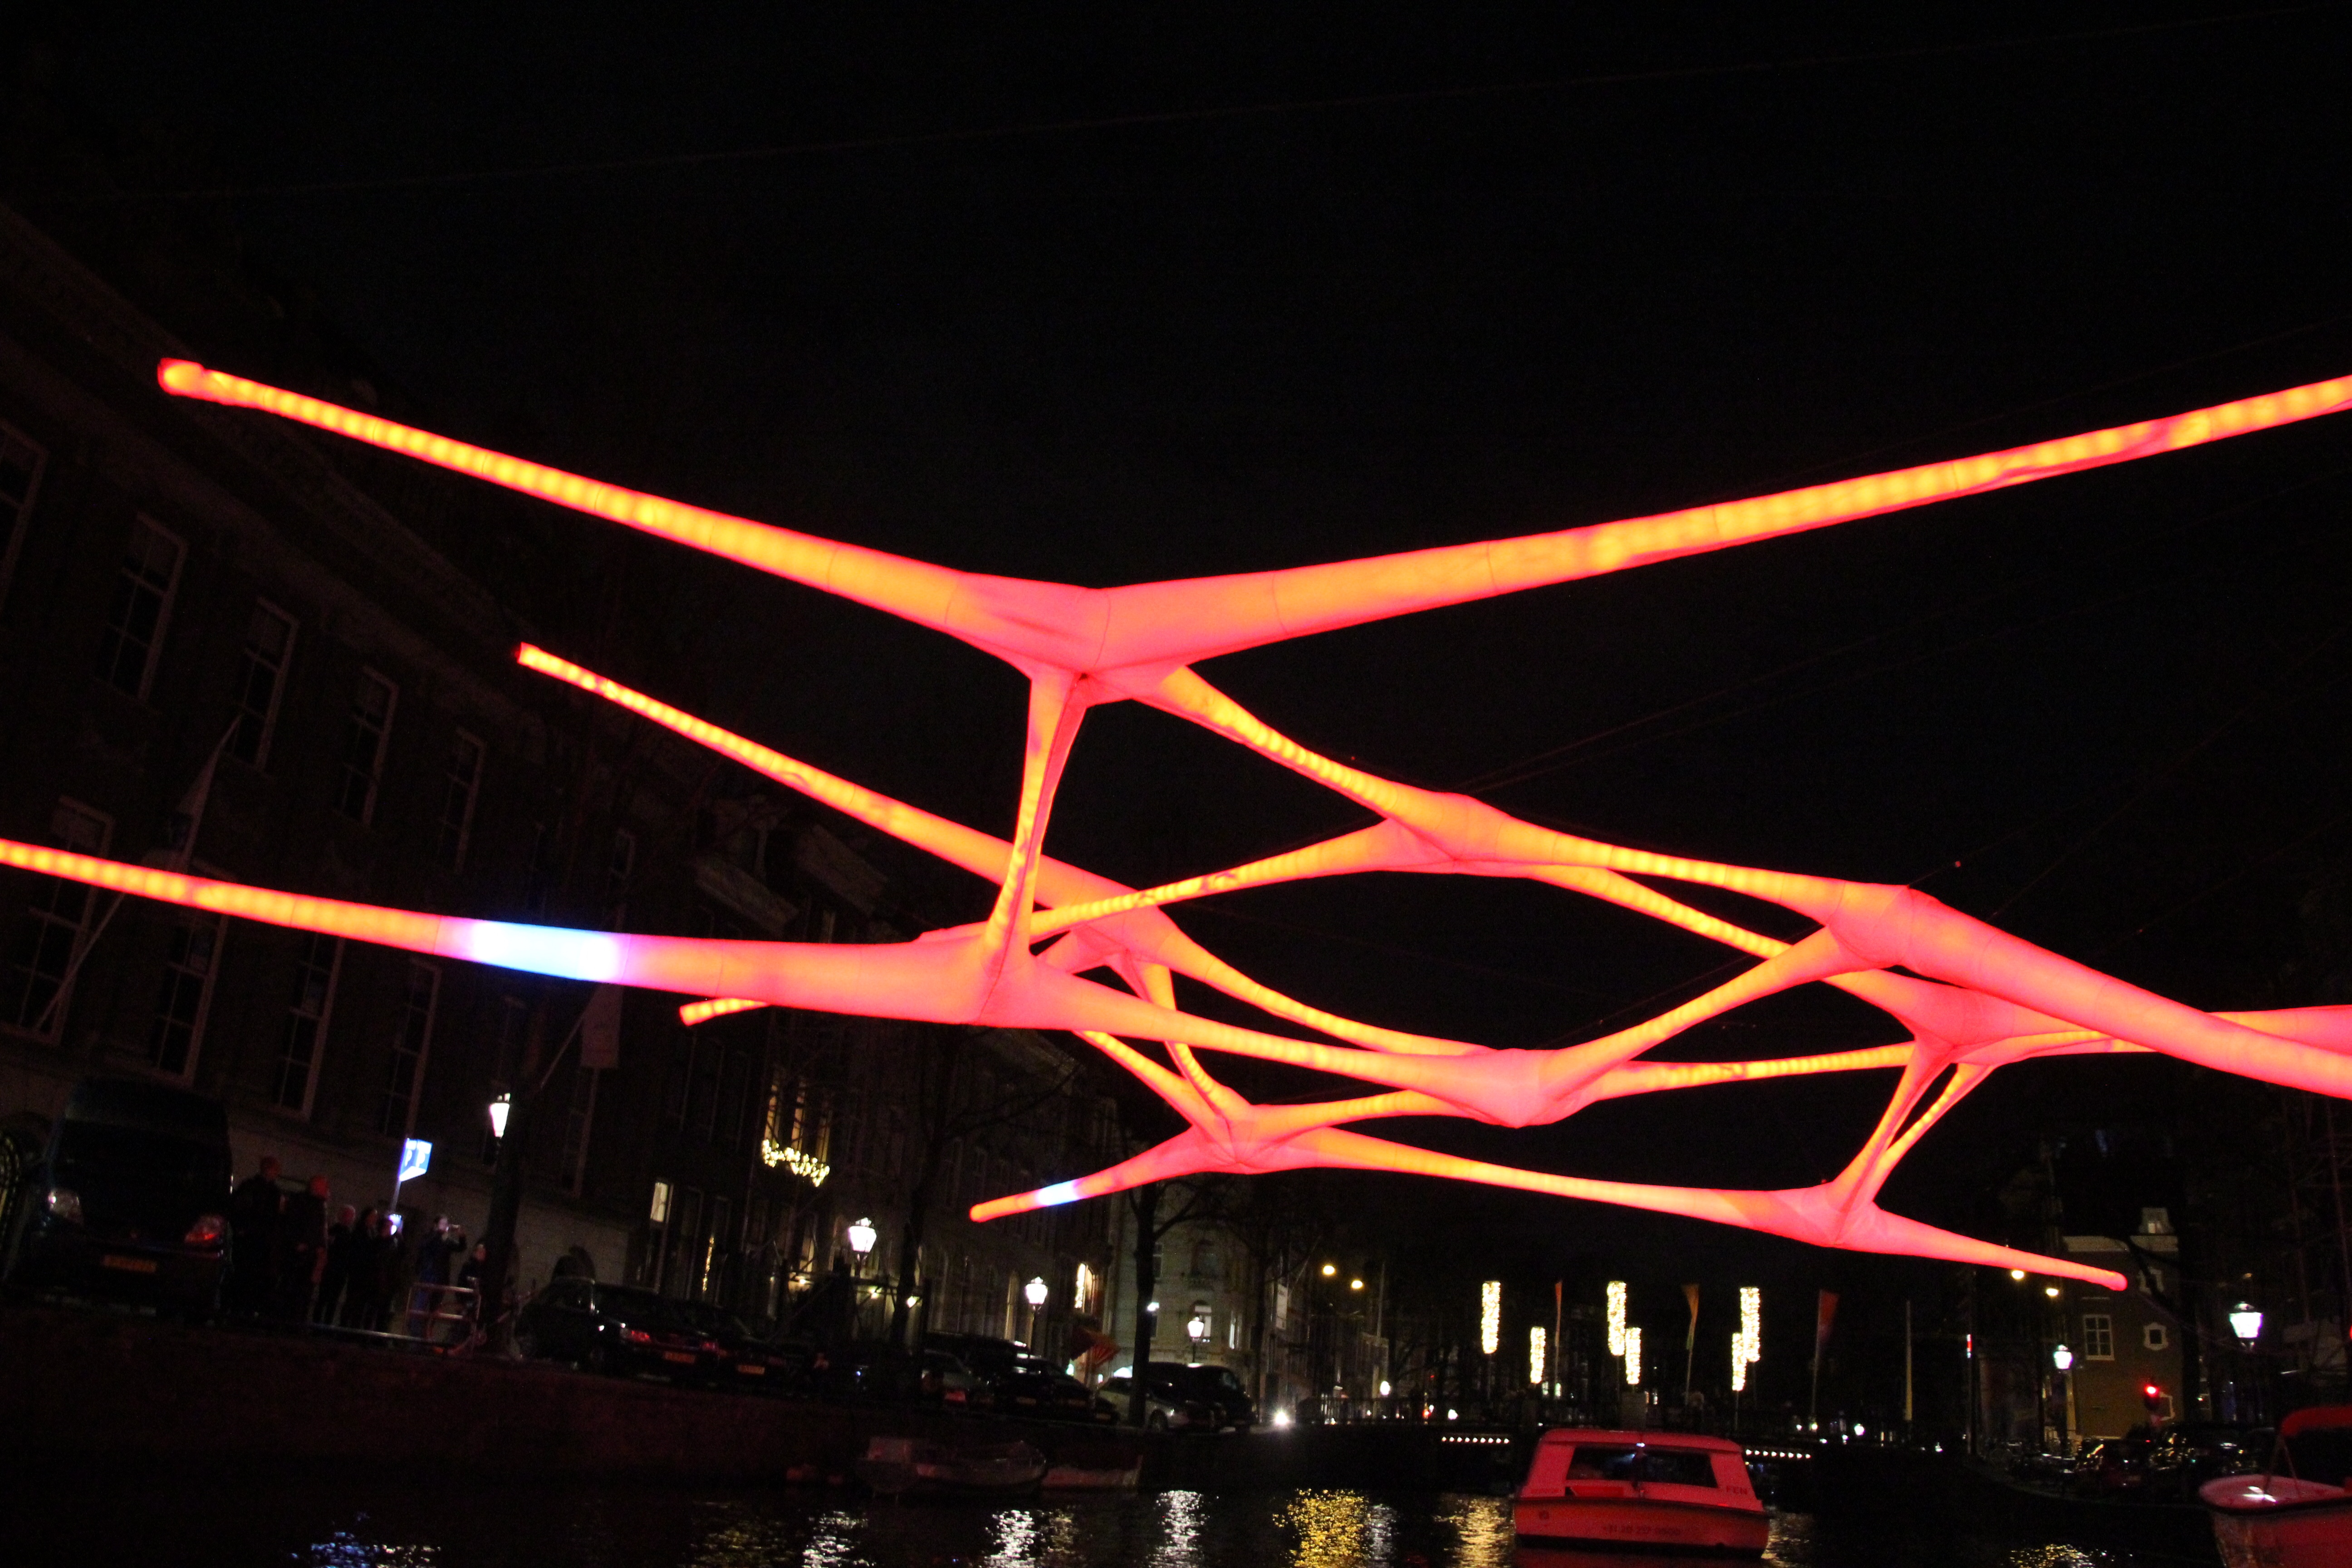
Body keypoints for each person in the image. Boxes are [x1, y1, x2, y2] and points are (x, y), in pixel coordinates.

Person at [226, 1155, 284, 1317]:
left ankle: (238, 1309)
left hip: (252, 1240)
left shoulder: (252, 1187)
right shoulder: (269, 1191)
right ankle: (244, 1310)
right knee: (249, 1277)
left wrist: (240, 1229)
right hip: (257, 1241)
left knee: (245, 1276)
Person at [278, 1174, 330, 1322]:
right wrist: (299, 1243)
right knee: (294, 1290)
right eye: (325, 1187)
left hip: (310, 1255)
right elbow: (292, 1225)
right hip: (300, 1256)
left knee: (304, 1293)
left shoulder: (318, 1205)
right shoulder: (303, 1202)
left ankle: (296, 1321)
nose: (327, 1190)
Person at [315, 1205, 359, 1325]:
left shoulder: (348, 1233)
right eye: (349, 1216)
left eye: (352, 1217)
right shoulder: (336, 1231)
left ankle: (326, 1324)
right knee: (323, 1299)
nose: (350, 1219)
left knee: (332, 1301)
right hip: (331, 1269)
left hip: (339, 1271)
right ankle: (318, 1324)